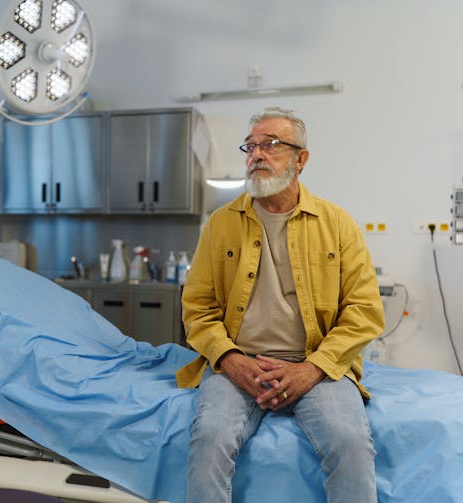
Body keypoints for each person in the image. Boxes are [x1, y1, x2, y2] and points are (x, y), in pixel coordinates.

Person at [176, 107, 384, 503]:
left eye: (270, 145)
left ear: (301, 159)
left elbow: (364, 312)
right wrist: (231, 361)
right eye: (250, 146)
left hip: (316, 364)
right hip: (240, 360)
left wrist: (310, 370)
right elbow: (197, 310)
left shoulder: (337, 223)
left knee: (351, 443)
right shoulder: (221, 223)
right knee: (209, 440)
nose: (257, 154)